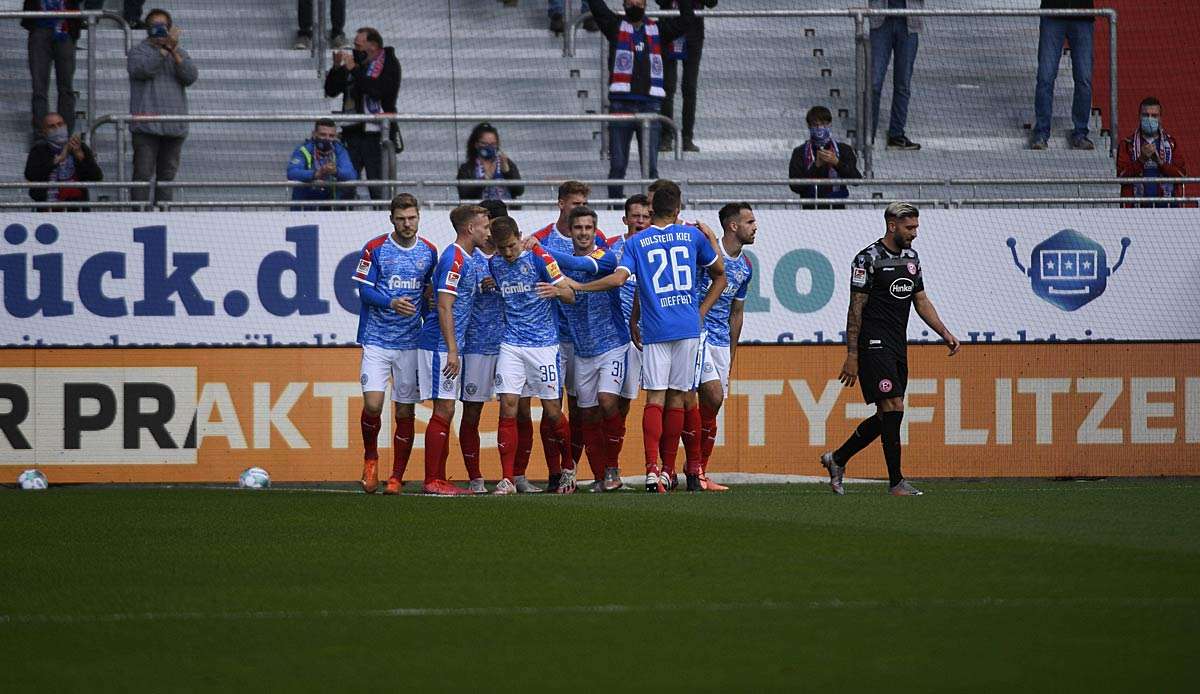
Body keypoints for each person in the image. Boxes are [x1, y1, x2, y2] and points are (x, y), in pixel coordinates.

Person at [559, 185, 726, 493]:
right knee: (679, 398)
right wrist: (700, 312)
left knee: (655, 399)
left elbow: (621, 279)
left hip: (655, 328)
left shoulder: (638, 242)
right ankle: (667, 471)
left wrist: (581, 289)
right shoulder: (692, 236)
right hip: (687, 326)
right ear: (677, 209)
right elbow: (720, 273)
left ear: (651, 211)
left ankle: (650, 471)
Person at [821, 202, 960, 497]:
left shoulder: (912, 258)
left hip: (897, 344)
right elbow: (855, 308)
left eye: (916, 227)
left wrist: (944, 332)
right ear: (892, 225)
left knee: (889, 415)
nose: (915, 233)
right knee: (893, 406)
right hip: (873, 343)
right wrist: (852, 354)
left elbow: (920, 300)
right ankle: (896, 482)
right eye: (910, 228)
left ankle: (838, 459)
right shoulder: (867, 259)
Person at [351, 193, 438, 496]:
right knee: (373, 404)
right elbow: (363, 291)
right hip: (377, 339)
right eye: (401, 219)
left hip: (411, 343)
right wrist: (390, 302)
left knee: (404, 411)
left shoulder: (429, 252)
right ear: (391, 219)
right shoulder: (375, 248)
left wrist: (432, 323)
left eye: (412, 218)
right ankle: (371, 458)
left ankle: (397, 476)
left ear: (418, 217)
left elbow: (429, 296)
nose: (407, 224)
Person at [538, 206, 629, 492]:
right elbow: (562, 292)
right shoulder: (559, 266)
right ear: (571, 230)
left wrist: (541, 250)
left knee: (607, 401)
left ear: (594, 231)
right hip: (582, 349)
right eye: (578, 228)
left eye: (588, 228)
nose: (584, 233)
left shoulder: (605, 255)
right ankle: (602, 476)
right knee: (586, 414)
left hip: (613, 344)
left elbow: (583, 269)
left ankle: (612, 468)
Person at [489, 216, 577, 495]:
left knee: (552, 412)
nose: (508, 253)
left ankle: (568, 468)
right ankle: (507, 478)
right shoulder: (495, 264)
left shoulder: (540, 257)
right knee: (508, 406)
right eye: (502, 248)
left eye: (512, 246)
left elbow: (570, 294)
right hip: (511, 345)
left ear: (520, 236)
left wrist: (556, 290)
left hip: (543, 346)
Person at [532, 181, 608, 488]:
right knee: (552, 407)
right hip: (551, 336)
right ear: (561, 203)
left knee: (580, 410)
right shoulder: (541, 238)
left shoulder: (597, 239)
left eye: (584, 202)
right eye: (574, 202)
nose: (579, 207)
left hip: (585, 339)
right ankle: (554, 472)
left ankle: (571, 470)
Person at [584, 0, 694, 200]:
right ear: (625, 3)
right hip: (620, 106)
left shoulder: (659, 30)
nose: (635, 3)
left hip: (650, 105)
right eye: (631, 0)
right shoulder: (615, 26)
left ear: (645, 4)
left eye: (640, 0)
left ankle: (653, 210)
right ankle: (616, 207)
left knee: (650, 167)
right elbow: (598, 8)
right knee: (617, 165)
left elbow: (686, 21)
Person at [416, 205, 491, 496]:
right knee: (444, 408)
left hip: (446, 344)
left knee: (447, 408)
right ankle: (432, 479)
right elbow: (444, 305)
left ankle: (439, 477)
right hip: (438, 345)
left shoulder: (466, 259)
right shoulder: (454, 259)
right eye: (483, 226)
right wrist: (452, 350)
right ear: (470, 228)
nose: (487, 231)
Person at [695, 202, 756, 492]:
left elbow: (737, 313)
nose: (755, 227)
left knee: (712, 405)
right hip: (696, 334)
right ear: (733, 226)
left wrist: (732, 352)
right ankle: (679, 468)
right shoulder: (706, 251)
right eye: (750, 222)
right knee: (711, 396)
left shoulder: (746, 266)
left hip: (720, 340)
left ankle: (699, 471)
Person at [594, 193, 653, 492]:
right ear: (625, 219)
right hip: (612, 337)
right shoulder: (611, 250)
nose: (640, 221)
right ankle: (604, 470)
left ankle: (611, 471)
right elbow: (588, 268)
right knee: (605, 401)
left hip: (644, 337)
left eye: (645, 216)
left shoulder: (656, 250)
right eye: (635, 216)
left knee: (625, 406)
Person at [457, 199, 507, 495]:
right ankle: (475, 476)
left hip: (510, 346)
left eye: (494, 224)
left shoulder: (513, 256)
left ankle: (514, 476)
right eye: (487, 224)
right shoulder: (467, 258)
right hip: (475, 345)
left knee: (515, 411)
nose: (491, 230)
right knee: (472, 412)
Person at [127, 8, 198, 203]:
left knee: (167, 177)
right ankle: (138, 215)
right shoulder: (138, 52)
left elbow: (191, 77)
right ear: (147, 30)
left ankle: (163, 214)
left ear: (170, 28)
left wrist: (173, 52)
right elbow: (143, 70)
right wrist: (163, 51)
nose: (159, 31)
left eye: (163, 27)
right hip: (146, 126)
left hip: (174, 127)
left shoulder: (179, 52)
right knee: (142, 175)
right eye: (155, 27)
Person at [324, 27, 401, 200]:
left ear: (372, 46)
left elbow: (378, 91)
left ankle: (382, 217)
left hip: (378, 134)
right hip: (352, 133)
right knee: (347, 184)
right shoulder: (355, 66)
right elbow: (331, 90)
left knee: (378, 186)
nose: (355, 50)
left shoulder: (388, 64)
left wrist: (354, 70)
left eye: (358, 46)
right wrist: (337, 68)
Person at [1032, 0, 1095, 150]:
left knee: (1084, 78)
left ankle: (1081, 133)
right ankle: (1041, 133)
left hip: (1082, 15)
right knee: (1045, 77)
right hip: (1053, 13)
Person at [657, 0, 717, 153]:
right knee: (667, 87)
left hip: (693, 34)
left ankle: (687, 137)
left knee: (689, 88)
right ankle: (666, 136)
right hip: (669, 30)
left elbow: (712, 2)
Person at [868, 0, 922, 150]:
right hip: (881, 20)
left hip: (909, 22)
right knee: (874, 82)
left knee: (903, 83)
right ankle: (868, 134)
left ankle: (896, 135)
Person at [1117, 97, 1189, 207]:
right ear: (1139, 117)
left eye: (1154, 116)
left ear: (1160, 118)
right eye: (1146, 115)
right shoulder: (1127, 144)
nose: (1150, 119)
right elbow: (1121, 177)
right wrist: (1140, 161)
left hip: (1168, 209)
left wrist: (1161, 163)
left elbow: (1182, 175)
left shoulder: (1171, 144)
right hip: (1134, 211)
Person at [23, 0, 81, 136]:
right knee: (39, 89)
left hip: (65, 30)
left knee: (66, 88)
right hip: (40, 30)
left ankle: (65, 134)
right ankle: (41, 134)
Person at [789, 106, 863, 210]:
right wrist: (816, 166)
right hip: (810, 208)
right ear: (809, 126)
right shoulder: (799, 152)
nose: (819, 128)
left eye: (823, 124)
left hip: (837, 209)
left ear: (830, 124)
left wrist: (837, 163)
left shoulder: (843, 149)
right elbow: (795, 186)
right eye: (815, 125)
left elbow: (856, 180)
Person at [25, 112, 103, 209]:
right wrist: (57, 161)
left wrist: (81, 157)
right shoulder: (38, 150)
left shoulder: (79, 147)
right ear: (44, 131)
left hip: (77, 209)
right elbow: (30, 175)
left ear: (65, 125)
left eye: (60, 124)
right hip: (47, 208)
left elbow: (97, 176)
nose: (57, 129)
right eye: (52, 127)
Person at [287, 118, 357, 210]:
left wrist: (335, 171)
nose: (327, 139)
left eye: (331, 136)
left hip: (331, 207)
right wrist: (316, 174)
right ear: (314, 134)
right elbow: (292, 173)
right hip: (304, 207)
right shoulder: (303, 150)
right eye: (323, 135)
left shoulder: (339, 150)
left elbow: (351, 175)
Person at [456, 123, 524, 202]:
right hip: (479, 212)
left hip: (505, 211)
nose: (489, 147)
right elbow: (464, 194)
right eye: (484, 143)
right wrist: (485, 179)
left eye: (493, 144)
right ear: (476, 144)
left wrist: (507, 172)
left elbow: (519, 191)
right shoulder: (467, 168)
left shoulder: (506, 162)